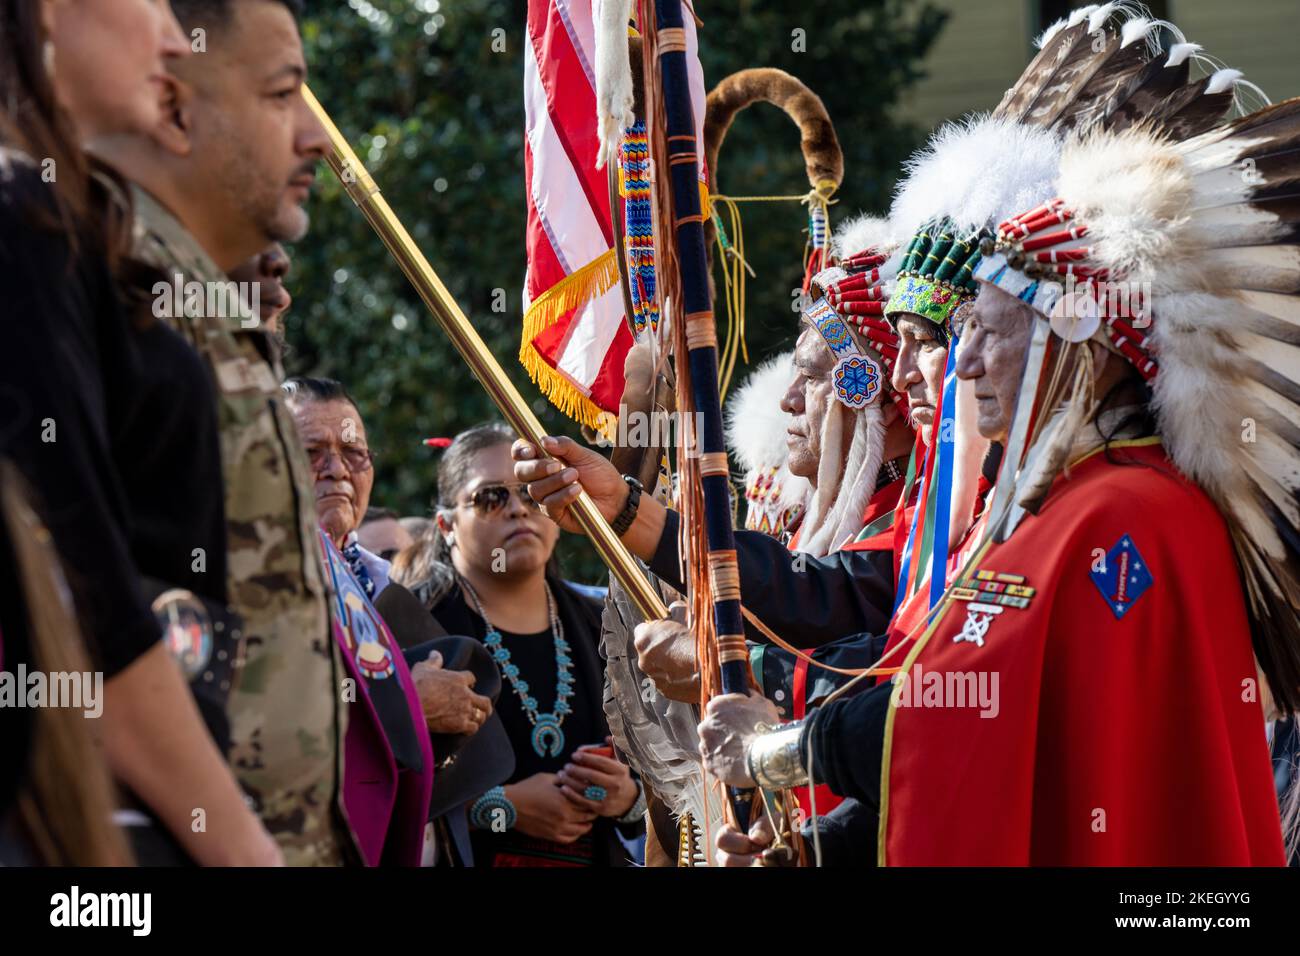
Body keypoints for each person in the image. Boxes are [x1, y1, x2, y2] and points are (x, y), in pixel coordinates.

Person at [1, 0, 280, 865]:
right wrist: (242, 849)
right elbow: (78, 585)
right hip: (85, 818)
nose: (172, 37)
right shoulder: (19, 217)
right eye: (150, 0)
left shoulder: (60, 220)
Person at [87, 0, 350, 865]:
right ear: (173, 110)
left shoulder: (195, 300)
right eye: (283, 96)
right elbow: (91, 625)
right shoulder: (113, 296)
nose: (317, 138)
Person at [415, 423, 645, 866]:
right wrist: (497, 808)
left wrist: (627, 798)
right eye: (490, 498)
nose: (518, 510)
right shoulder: (415, 625)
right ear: (447, 525)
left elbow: (669, 774)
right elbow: (382, 779)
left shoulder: (607, 623)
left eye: (532, 494)